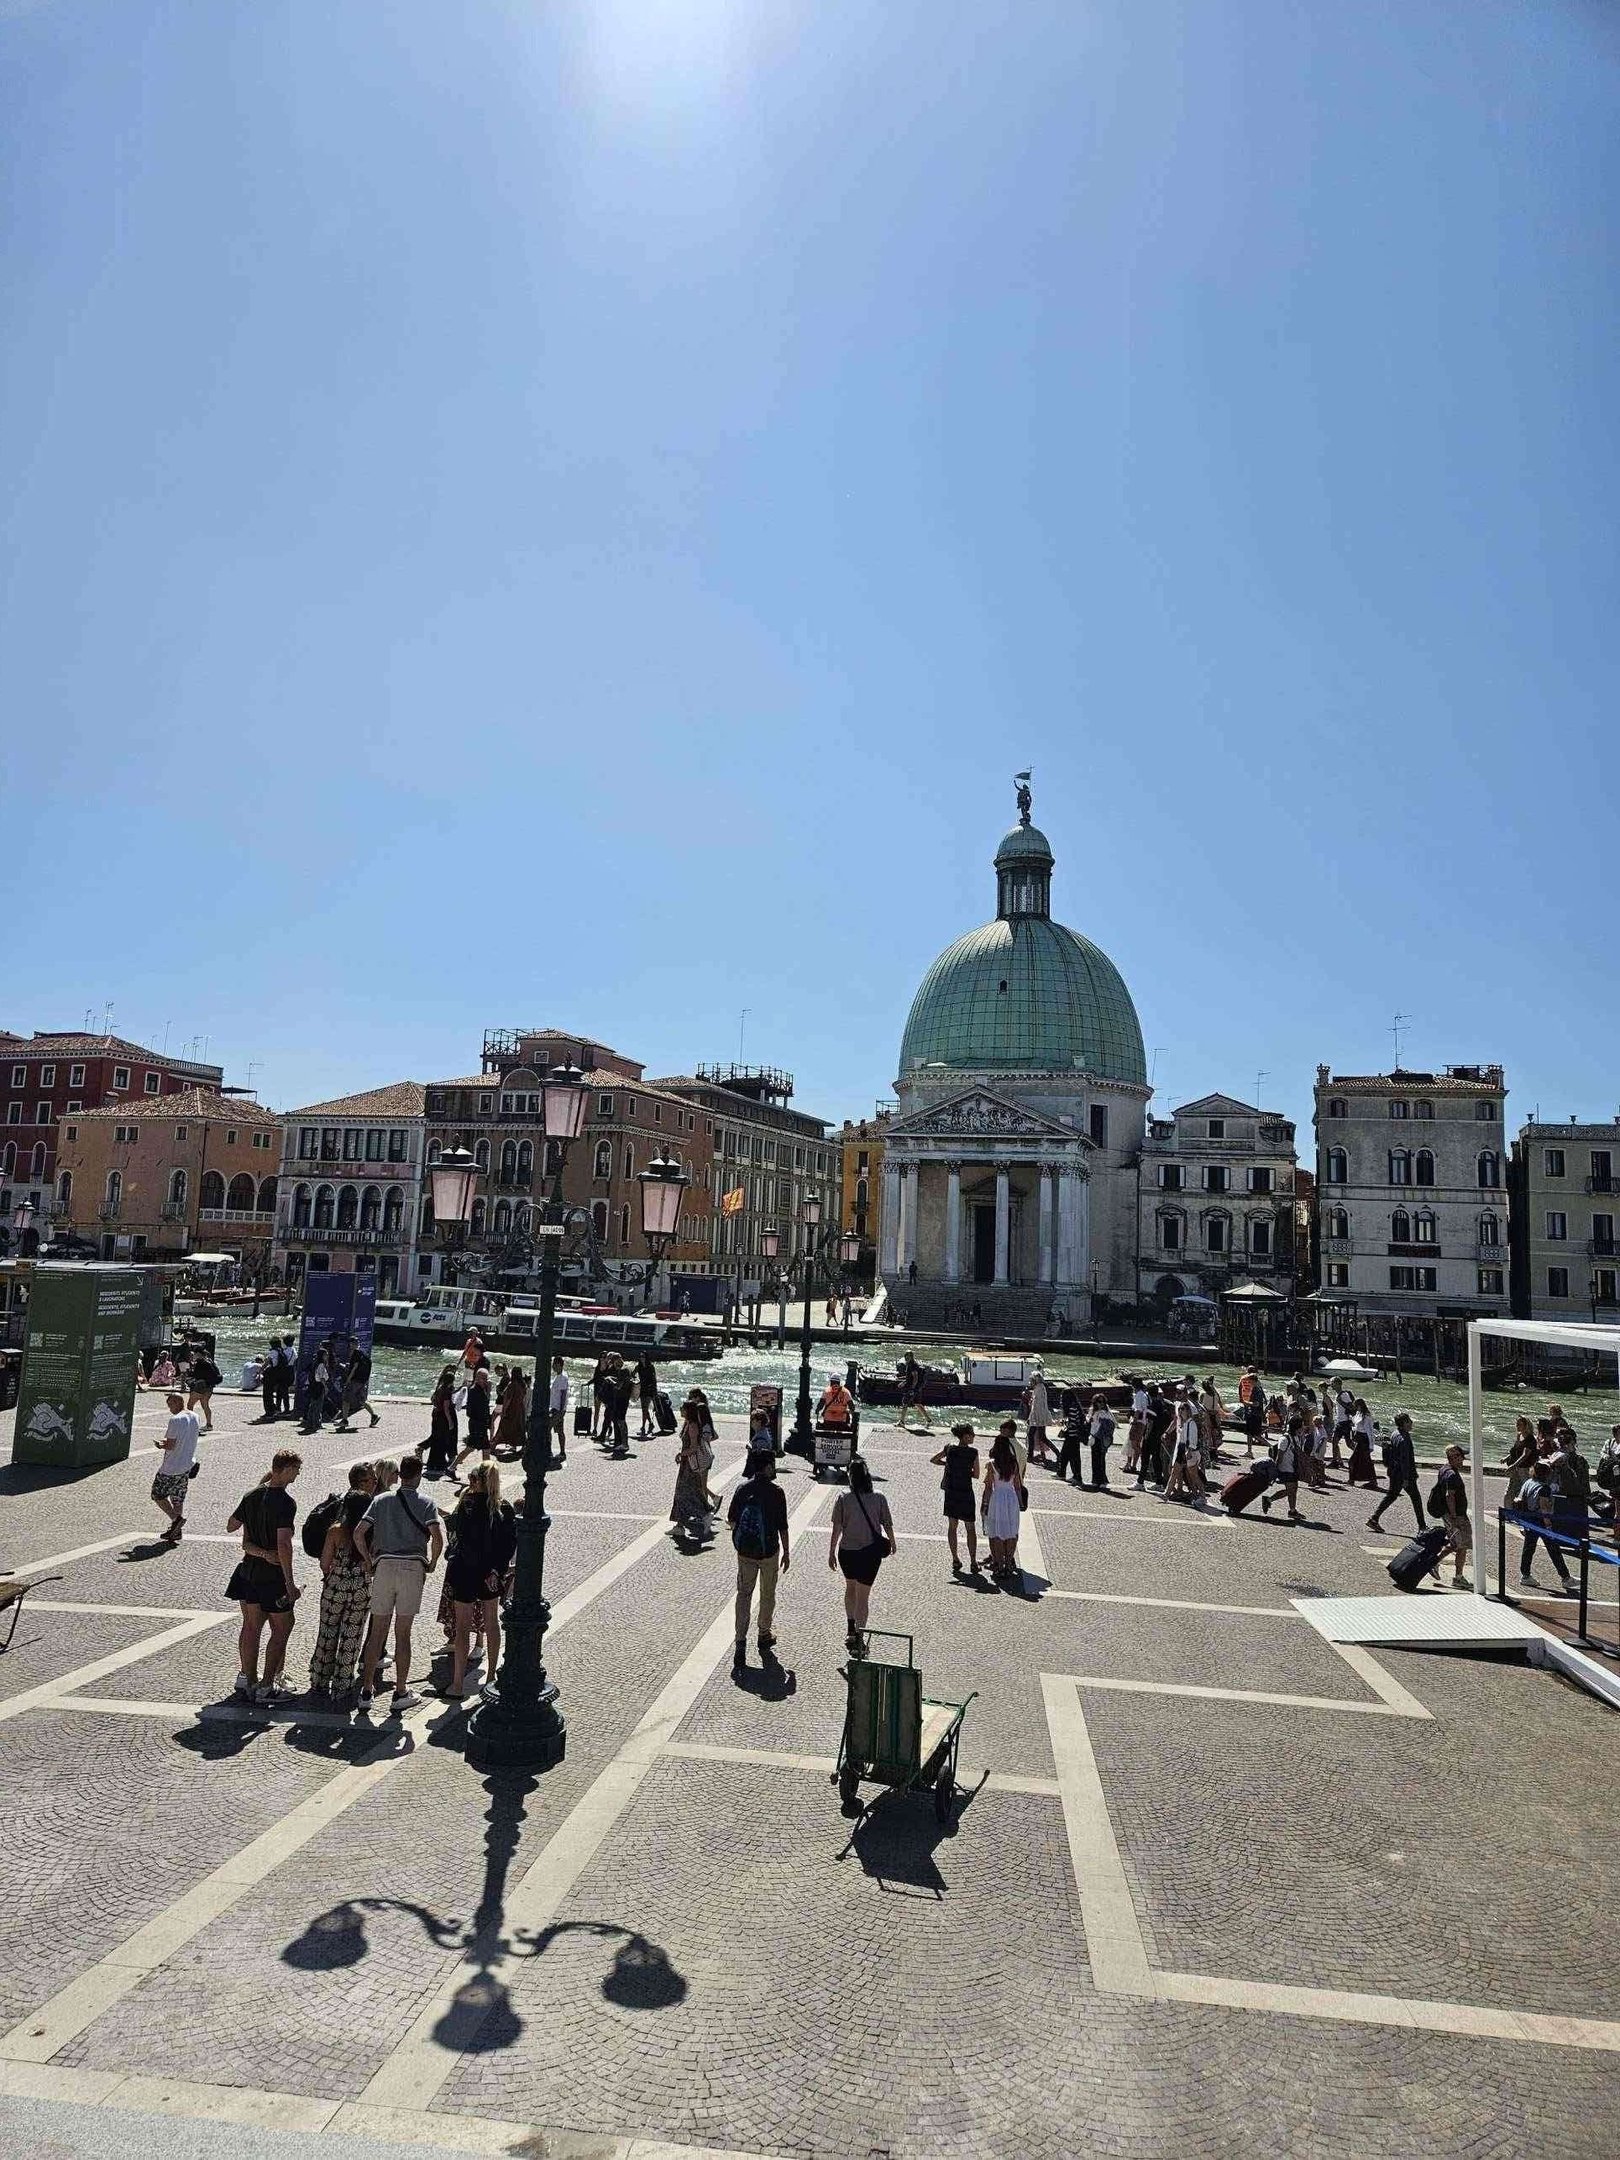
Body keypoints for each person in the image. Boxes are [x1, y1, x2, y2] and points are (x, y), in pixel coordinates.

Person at [354, 1455, 444, 1714]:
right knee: (402, 1633)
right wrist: (433, 1561)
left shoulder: (381, 1500)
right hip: (412, 1568)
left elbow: (359, 1532)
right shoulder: (427, 1503)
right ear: (419, 1474)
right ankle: (401, 1690)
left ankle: (367, 1690)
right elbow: (438, 1538)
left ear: (401, 1474)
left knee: (378, 1631)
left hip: (383, 1566)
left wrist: (368, 1560)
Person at [225, 1449, 302, 1706]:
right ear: (286, 1469)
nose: (298, 1474)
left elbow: (231, 1526)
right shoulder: (286, 1503)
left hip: (249, 1571)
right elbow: (284, 1545)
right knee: (283, 1627)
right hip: (272, 1576)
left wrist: (258, 1548)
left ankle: (248, 1678)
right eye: (296, 1469)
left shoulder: (252, 1496)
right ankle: (267, 1685)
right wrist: (290, 1584)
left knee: (250, 1626)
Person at [443, 1463, 517, 1700]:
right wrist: (498, 1569)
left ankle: (457, 1684)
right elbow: (509, 1544)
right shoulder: (503, 1508)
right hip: (490, 1573)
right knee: (491, 1622)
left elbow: (458, 1536)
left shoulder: (467, 1503)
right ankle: (491, 1677)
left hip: (464, 1569)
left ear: (477, 1480)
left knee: (462, 1627)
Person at [309, 1462, 378, 1700]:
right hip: (360, 1586)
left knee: (327, 1632)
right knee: (352, 1635)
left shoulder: (335, 1531)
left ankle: (319, 1679)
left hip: (336, 1585)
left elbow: (324, 1563)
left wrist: (333, 1572)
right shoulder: (371, 1531)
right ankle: (342, 1683)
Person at [728, 1447, 790, 1669]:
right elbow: (782, 1526)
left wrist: (741, 1540)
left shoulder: (742, 1489)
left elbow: (731, 1520)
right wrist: (787, 1552)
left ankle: (740, 1642)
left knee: (744, 1595)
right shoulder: (777, 1492)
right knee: (767, 1594)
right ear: (768, 1466)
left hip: (745, 1553)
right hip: (769, 1551)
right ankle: (764, 1634)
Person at [829, 1456, 895, 1648]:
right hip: (870, 1554)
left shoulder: (843, 1497)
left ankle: (850, 1628)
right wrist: (892, 1541)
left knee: (850, 1589)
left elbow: (837, 1528)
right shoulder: (879, 1497)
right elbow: (887, 1523)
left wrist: (831, 1551)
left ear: (850, 1476)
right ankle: (860, 1634)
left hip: (847, 1552)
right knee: (863, 1596)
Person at [932, 1423, 982, 1577]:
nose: (974, 1436)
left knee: (952, 1526)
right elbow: (976, 1475)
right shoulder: (973, 1452)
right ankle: (973, 1562)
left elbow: (934, 1459)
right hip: (965, 1492)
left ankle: (955, 1559)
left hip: (951, 1492)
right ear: (966, 1436)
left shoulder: (949, 1448)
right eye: (972, 1434)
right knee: (970, 1528)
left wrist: (948, 1464)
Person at [152, 1390, 200, 1544]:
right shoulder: (195, 1416)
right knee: (177, 1498)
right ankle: (176, 1532)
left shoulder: (175, 1420)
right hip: (187, 1465)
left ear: (178, 1402)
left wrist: (160, 1445)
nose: (169, 1408)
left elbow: (171, 1444)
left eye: (170, 1404)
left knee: (157, 1495)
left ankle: (176, 1519)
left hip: (171, 1467)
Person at [980, 1432, 1026, 1586]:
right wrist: (1019, 1503)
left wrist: (985, 1504)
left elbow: (988, 1487)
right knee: (1011, 1532)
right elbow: (1018, 1485)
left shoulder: (992, 1464)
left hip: (997, 1499)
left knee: (998, 1533)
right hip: (1011, 1498)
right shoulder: (1013, 1463)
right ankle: (1008, 1563)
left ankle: (999, 1566)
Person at [1368, 1413, 1424, 1537]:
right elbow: (1404, 1460)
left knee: (1391, 1496)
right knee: (1416, 1499)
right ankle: (1422, 1527)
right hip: (1404, 1475)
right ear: (1404, 1423)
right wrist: (1405, 1478)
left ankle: (1374, 1518)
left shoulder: (1394, 1434)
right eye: (1409, 1421)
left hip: (1394, 1472)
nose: (1411, 1423)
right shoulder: (1404, 1439)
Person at [669, 1396, 715, 1542]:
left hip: (689, 1464)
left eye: (682, 1408)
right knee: (686, 1492)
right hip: (686, 1463)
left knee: (685, 1492)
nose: (680, 1410)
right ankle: (680, 1525)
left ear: (688, 1411)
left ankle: (704, 1514)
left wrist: (681, 1454)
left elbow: (694, 1447)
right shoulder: (688, 1423)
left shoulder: (693, 1426)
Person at [1428, 1445, 1472, 1588]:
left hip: (1451, 1514)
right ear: (1453, 1457)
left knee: (1457, 1544)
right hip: (1456, 1515)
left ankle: (1437, 1563)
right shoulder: (1452, 1475)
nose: (1463, 1459)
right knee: (1461, 1545)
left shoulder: (1444, 1469)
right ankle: (1456, 1576)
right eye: (1460, 1456)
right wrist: (1454, 1517)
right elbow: (1449, 1496)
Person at [1259, 1414, 1307, 1523]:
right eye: (1302, 1425)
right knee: (1291, 1489)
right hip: (1286, 1468)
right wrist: (1275, 1471)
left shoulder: (1296, 1437)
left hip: (1292, 1468)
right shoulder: (1284, 1439)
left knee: (1292, 1490)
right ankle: (1291, 1510)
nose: (1303, 1427)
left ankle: (1273, 1502)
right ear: (1297, 1426)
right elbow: (1279, 1456)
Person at [454, 1363, 493, 1477]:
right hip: (477, 1424)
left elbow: (485, 1404)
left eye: (486, 1378)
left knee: (484, 1449)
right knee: (472, 1448)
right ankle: (452, 1467)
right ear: (477, 1377)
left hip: (480, 1423)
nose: (486, 1380)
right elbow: (473, 1409)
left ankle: (486, 1471)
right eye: (484, 1378)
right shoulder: (474, 1390)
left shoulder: (481, 1389)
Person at [334, 1345, 379, 1434]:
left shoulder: (355, 1355)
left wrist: (347, 1381)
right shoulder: (365, 1356)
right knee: (361, 1400)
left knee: (346, 1400)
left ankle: (344, 1421)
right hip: (362, 1382)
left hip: (354, 1381)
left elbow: (354, 1368)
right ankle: (374, 1416)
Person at [424, 1366, 459, 1479]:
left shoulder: (439, 1388)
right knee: (443, 1440)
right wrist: (450, 1422)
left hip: (436, 1416)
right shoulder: (447, 1392)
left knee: (436, 1440)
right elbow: (446, 1408)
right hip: (443, 1418)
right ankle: (440, 1462)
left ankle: (433, 1462)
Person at [491, 1365, 528, 1460]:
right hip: (520, 1410)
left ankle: (493, 1446)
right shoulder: (523, 1384)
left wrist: (504, 1411)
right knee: (519, 1428)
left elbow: (507, 1398)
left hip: (511, 1410)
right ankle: (521, 1446)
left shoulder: (512, 1385)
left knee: (504, 1428)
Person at [1055, 1387, 1089, 1487]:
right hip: (1073, 1435)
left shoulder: (1072, 1407)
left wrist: (1064, 1428)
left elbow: (1073, 1422)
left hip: (1072, 1435)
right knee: (1066, 1455)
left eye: (1062, 1397)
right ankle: (1062, 1473)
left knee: (1073, 1457)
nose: (1061, 1399)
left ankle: (1077, 1477)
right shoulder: (1074, 1406)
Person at [187, 1343, 221, 1433]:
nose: (193, 1354)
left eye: (194, 1353)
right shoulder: (209, 1360)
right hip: (209, 1386)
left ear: (198, 1353)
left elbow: (197, 1375)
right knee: (205, 1405)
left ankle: (192, 1425)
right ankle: (209, 1425)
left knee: (190, 1405)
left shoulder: (200, 1362)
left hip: (201, 1386)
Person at [1088, 1392, 1116, 1492]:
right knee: (1094, 1459)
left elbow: (1111, 1425)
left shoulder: (1106, 1413)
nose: (1101, 1404)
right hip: (1093, 1437)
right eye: (1099, 1402)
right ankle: (1095, 1479)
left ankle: (1102, 1481)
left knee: (1101, 1460)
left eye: (1103, 1402)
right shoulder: (1092, 1411)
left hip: (1101, 1438)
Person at [1025, 1370, 1053, 1467]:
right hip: (1040, 1416)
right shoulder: (1040, 1388)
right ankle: (1033, 1454)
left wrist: (1031, 1418)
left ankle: (1030, 1455)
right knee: (1040, 1436)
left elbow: (1036, 1406)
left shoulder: (1038, 1389)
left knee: (1034, 1435)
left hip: (1038, 1417)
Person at [895, 1352, 928, 1431]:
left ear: (911, 1357)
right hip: (916, 1388)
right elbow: (909, 1377)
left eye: (908, 1356)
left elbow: (915, 1378)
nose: (906, 1358)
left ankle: (902, 1422)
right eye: (905, 1356)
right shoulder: (911, 1364)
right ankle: (928, 1420)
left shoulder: (912, 1365)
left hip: (912, 1388)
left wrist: (912, 1389)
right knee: (917, 1403)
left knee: (905, 1403)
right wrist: (903, 1382)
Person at [548, 1356, 569, 1462]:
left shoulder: (563, 1377)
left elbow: (563, 1394)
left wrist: (561, 1411)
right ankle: (562, 1452)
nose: (552, 1367)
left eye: (554, 1364)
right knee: (560, 1430)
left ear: (559, 1365)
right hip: (555, 1408)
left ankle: (550, 1451)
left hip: (558, 1409)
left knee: (548, 1428)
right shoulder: (558, 1376)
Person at [636, 1349, 659, 1437]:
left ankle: (643, 1427)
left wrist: (655, 1390)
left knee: (645, 1408)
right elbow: (632, 1374)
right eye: (641, 1357)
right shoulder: (638, 1367)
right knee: (644, 1409)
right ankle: (650, 1423)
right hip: (642, 1388)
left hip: (649, 1389)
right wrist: (635, 1382)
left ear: (646, 1357)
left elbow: (654, 1379)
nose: (642, 1358)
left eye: (643, 1356)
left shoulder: (651, 1366)